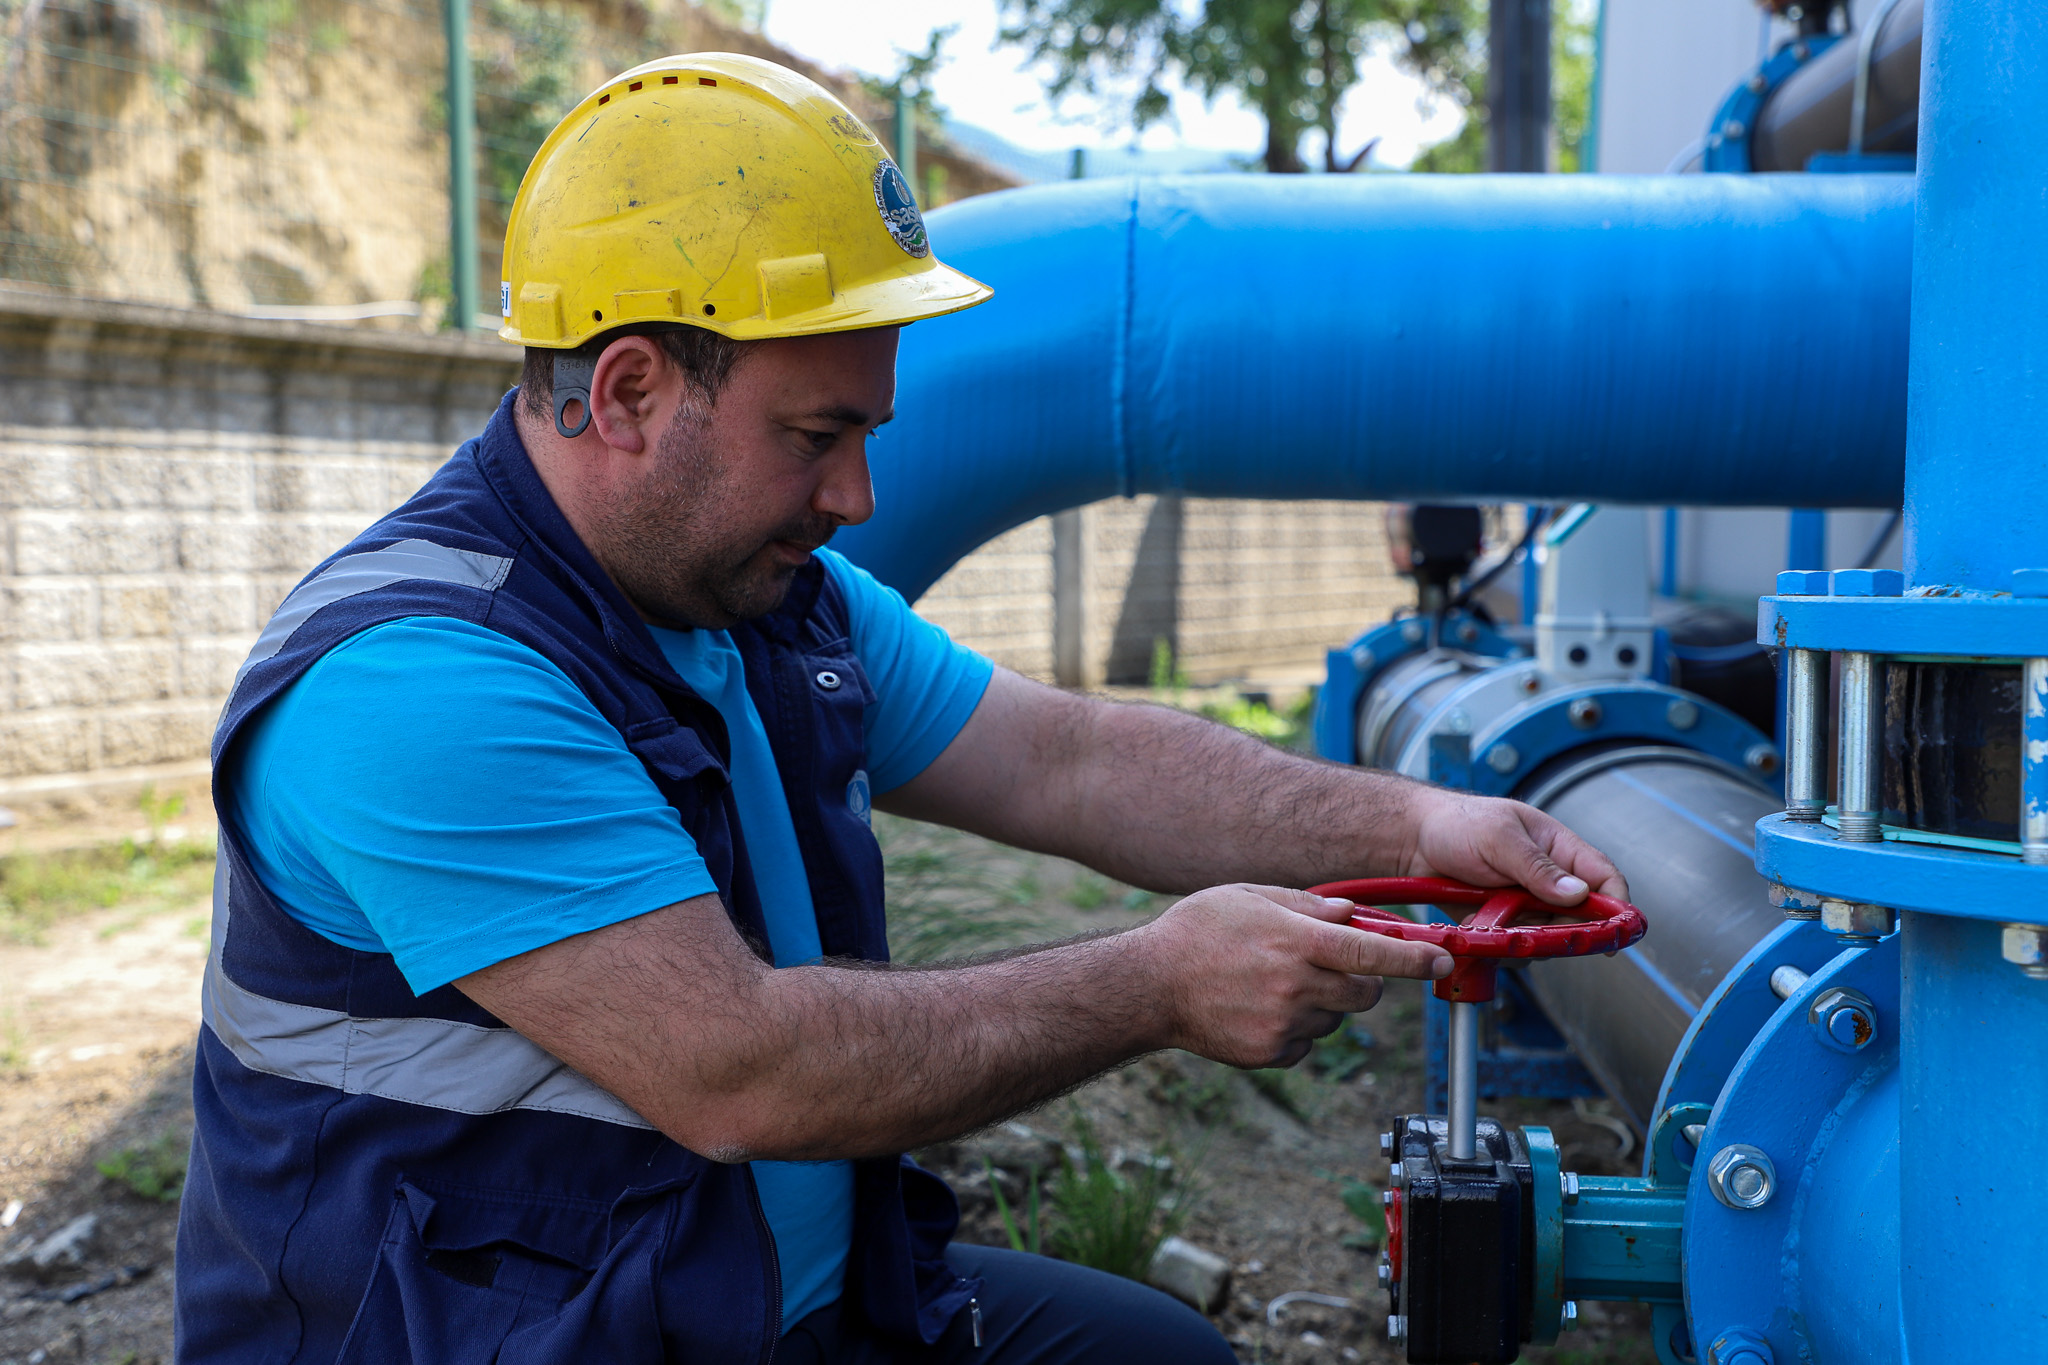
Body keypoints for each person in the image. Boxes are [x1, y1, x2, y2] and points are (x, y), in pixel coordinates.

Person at [173, 53, 1626, 1365]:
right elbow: (740, 1069)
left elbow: (1067, 761)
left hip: (749, 1300)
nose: (858, 495)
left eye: (866, 433)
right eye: (818, 435)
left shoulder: (761, 596)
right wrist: (1161, 983)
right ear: (627, 393)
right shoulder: (424, 679)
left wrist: (1420, 824)